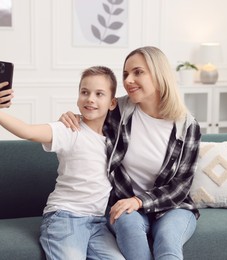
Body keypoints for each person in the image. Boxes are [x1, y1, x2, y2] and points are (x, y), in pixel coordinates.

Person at [60, 46, 201, 260]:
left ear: (159, 75)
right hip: (125, 204)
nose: (128, 80)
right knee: (128, 226)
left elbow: (180, 186)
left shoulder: (187, 126)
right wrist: (72, 117)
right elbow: (92, 110)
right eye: (126, 74)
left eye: (138, 72)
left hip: (173, 206)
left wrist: (140, 200)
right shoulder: (117, 110)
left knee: (168, 241)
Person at [0, 66, 125, 260]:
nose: (90, 98)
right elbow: (28, 131)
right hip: (65, 217)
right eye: (84, 92)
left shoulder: (114, 137)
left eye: (99, 94)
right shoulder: (69, 129)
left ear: (112, 103)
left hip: (98, 223)